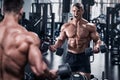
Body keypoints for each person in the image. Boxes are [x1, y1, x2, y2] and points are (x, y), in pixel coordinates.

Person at [0, 0, 56, 80]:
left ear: (3, 10)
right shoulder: (28, 37)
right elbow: (39, 70)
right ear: (21, 11)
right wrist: (50, 74)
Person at [49, 2, 102, 80]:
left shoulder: (89, 26)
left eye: (78, 11)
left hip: (83, 57)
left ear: (82, 11)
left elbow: (97, 40)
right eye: (74, 11)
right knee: (66, 78)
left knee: (85, 78)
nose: (76, 13)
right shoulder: (66, 26)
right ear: (71, 11)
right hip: (70, 56)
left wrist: (97, 46)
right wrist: (55, 46)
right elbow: (61, 39)